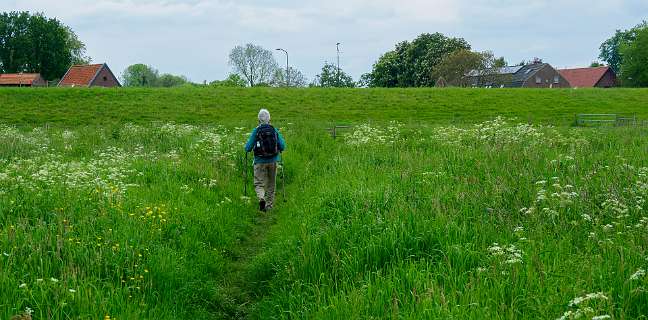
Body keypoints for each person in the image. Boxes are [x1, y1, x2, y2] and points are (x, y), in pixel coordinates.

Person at [245, 109, 286, 212]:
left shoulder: (256, 130)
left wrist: (247, 148)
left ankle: (261, 198)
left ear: (258, 120)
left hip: (259, 161)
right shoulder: (274, 130)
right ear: (269, 119)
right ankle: (269, 206)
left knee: (259, 183)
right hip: (273, 161)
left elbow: (248, 147)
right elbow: (282, 146)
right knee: (271, 184)